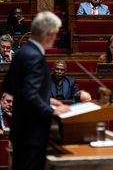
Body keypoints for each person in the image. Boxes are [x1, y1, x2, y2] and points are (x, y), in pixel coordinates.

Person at [2, 11, 70, 170]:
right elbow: (30, 95)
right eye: (55, 34)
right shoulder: (35, 56)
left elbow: (8, 87)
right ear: (49, 33)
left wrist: (45, 98)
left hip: (20, 130)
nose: (55, 38)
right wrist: (52, 110)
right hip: (32, 133)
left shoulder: (21, 52)